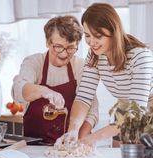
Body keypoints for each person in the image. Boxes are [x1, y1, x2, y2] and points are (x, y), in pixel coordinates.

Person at [56, 3, 153, 146]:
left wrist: (94, 138)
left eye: (98, 36)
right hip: (124, 110)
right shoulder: (95, 55)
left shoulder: (140, 57)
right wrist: (73, 129)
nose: (91, 42)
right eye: (87, 35)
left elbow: (136, 113)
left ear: (114, 31)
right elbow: (84, 96)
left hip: (146, 111)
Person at [12, 15, 98, 144]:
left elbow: (92, 109)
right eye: (58, 46)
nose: (64, 54)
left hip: (72, 146)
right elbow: (18, 91)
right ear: (47, 42)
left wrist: (76, 138)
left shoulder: (81, 66)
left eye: (70, 48)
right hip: (35, 147)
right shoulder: (34, 62)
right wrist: (44, 91)